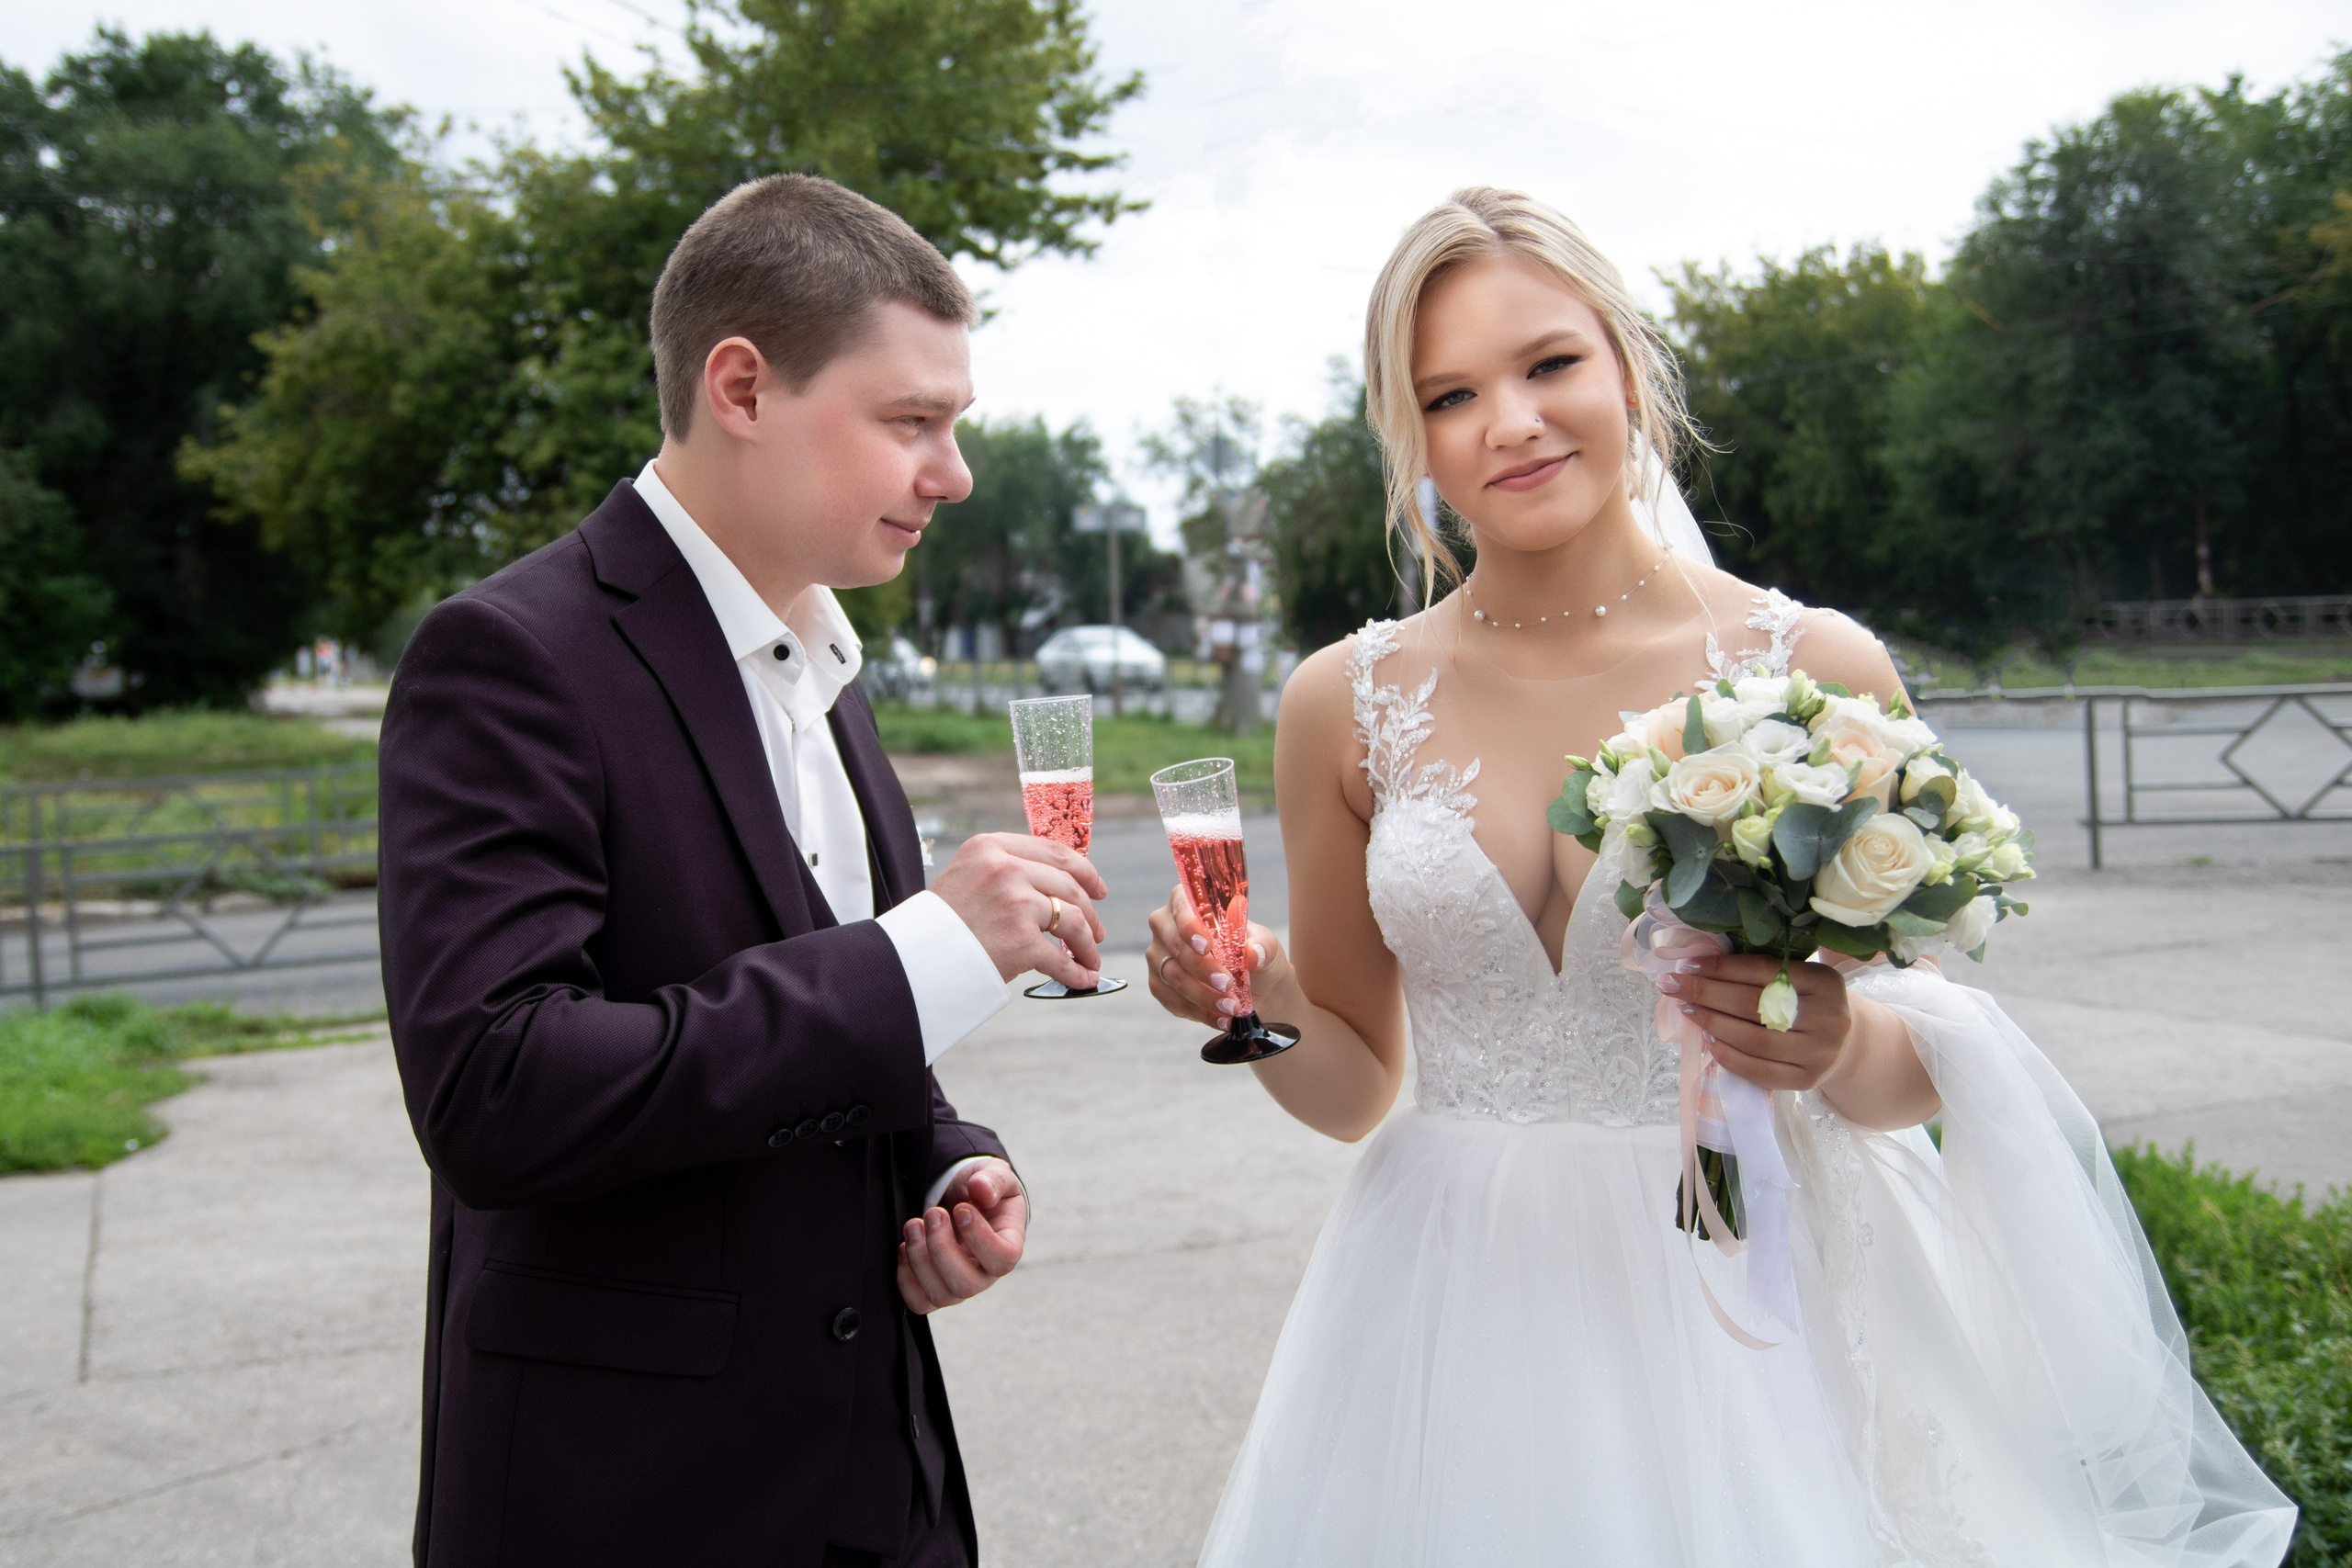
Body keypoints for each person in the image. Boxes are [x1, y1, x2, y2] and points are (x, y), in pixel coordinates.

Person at [1144, 186, 2295, 1566]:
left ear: (1626, 365)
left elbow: (1912, 1066)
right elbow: (1349, 1090)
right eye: (1449, 394)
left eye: (1549, 364)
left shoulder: (1809, 670)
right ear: (1413, 438)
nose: (1508, 420)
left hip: (1756, 1281)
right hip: (1449, 1300)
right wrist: (1249, 994)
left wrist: (1830, 1039)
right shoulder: (1343, 700)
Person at [379, 174, 1106, 1567]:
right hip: (629, 1505)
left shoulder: (829, 666)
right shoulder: (510, 656)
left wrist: (940, 1159)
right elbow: (495, 1089)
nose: (953, 473)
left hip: (873, 1488)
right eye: (913, 422)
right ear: (742, 386)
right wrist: (930, 955)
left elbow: (814, 1024)